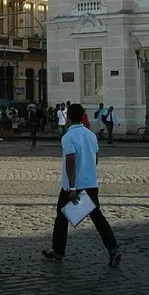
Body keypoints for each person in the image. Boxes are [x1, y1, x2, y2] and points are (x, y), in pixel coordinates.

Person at [43, 103, 122, 267]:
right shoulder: (91, 135)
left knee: (62, 217)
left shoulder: (68, 137)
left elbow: (70, 160)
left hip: (73, 186)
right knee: (97, 217)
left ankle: (58, 251)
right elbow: (96, 158)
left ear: (69, 118)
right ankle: (113, 249)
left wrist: (72, 188)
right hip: (91, 183)